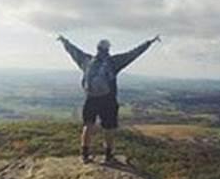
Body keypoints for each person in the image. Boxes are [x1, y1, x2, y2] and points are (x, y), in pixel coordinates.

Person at [57, 34, 161, 163]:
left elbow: (73, 51)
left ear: (97, 48)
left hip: (91, 99)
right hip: (108, 100)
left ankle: (84, 154)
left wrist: (64, 41)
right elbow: (133, 54)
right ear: (108, 49)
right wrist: (148, 43)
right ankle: (108, 156)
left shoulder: (86, 60)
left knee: (88, 125)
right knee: (109, 128)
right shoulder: (114, 62)